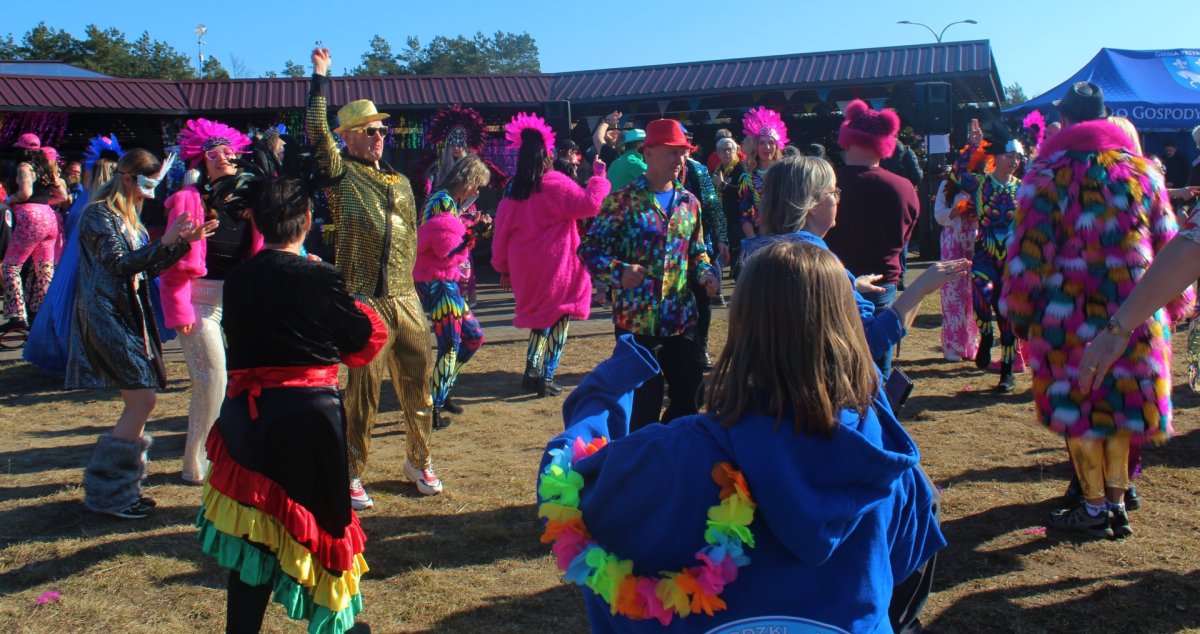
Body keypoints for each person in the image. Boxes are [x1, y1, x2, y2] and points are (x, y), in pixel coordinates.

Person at [536, 240, 945, 633]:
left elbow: (568, 487)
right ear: (849, 328)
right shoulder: (885, 463)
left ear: (742, 329)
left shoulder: (673, 456)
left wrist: (605, 393)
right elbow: (902, 566)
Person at [1001, 81, 1193, 539]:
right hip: (1134, 311)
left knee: (1080, 405)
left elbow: (1028, 253)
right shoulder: (1143, 172)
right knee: (1120, 403)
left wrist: (1020, 311)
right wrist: (1176, 302)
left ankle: (1091, 507)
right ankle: (1117, 502)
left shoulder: (1047, 175)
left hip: (1066, 317)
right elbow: (1170, 241)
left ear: (1064, 120)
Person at [196, 165, 383, 634]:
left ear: (259, 221)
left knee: (254, 529)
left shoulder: (239, 277)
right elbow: (361, 341)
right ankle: (338, 628)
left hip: (249, 416)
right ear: (306, 220)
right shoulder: (319, 276)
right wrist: (334, 286)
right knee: (325, 523)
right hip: (308, 417)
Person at [306, 47, 438, 502]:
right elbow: (316, 131)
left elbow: (411, 236)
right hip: (363, 299)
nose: (379, 136)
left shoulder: (401, 182)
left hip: (405, 296)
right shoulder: (341, 174)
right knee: (362, 394)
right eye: (369, 130)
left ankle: (419, 459)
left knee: (420, 385)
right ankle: (350, 470)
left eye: (382, 129)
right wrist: (320, 78)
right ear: (348, 138)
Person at [69, 149, 216, 519]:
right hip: (107, 316)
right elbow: (119, 265)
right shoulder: (99, 215)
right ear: (127, 178)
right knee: (142, 400)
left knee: (142, 400)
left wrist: (182, 244)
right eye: (148, 182)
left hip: (127, 315)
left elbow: (146, 269)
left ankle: (121, 490)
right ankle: (110, 494)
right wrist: (166, 243)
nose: (152, 191)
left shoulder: (127, 218)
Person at [742, 156, 969, 363]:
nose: (838, 200)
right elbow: (869, 342)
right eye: (833, 192)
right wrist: (920, 288)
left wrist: (848, 286)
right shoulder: (815, 264)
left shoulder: (760, 257)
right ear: (813, 204)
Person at [580, 118, 718, 431]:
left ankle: (670, 449)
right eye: (672, 151)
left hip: (681, 320)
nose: (680, 159)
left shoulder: (689, 203)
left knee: (690, 399)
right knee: (642, 410)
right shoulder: (622, 201)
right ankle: (644, 452)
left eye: (683, 152)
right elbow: (589, 250)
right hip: (637, 324)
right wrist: (619, 272)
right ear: (649, 152)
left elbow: (697, 253)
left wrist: (706, 274)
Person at [160, 118, 262, 485]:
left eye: (228, 152)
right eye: (213, 153)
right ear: (201, 161)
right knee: (211, 380)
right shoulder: (189, 199)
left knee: (239, 381)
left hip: (237, 301)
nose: (223, 158)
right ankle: (196, 463)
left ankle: (227, 454)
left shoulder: (251, 201)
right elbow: (171, 260)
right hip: (199, 301)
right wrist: (179, 309)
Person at [494, 112, 611, 397]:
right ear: (546, 153)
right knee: (560, 318)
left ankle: (531, 371)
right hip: (556, 264)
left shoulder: (513, 189)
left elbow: (501, 231)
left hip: (524, 266)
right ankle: (546, 377)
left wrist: (503, 267)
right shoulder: (555, 183)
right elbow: (591, 205)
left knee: (539, 318)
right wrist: (598, 176)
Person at [823, 100, 920, 381]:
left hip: (832, 284)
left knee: (831, 369)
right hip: (881, 285)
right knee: (878, 373)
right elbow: (907, 237)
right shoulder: (903, 188)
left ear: (847, 138)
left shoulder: (825, 187)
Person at [23, 135, 125, 373]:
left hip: (78, 265)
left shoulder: (86, 202)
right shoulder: (111, 202)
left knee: (70, 307)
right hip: (96, 266)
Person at [415, 155, 490, 428]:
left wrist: (470, 229)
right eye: (477, 185)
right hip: (437, 281)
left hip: (444, 280)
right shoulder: (443, 201)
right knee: (450, 345)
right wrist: (474, 232)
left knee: (473, 336)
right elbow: (446, 249)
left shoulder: (446, 201)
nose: (477, 191)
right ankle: (433, 407)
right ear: (468, 179)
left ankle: (442, 389)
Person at [950, 120, 1024, 391]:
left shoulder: (1023, 187)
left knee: (1007, 314)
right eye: (1009, 156)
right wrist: (973, 146)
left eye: (1017, 157)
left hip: (1012, 261)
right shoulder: (980, 184)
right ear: (997, 157)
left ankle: (1007, 371)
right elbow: (957, 174)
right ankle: (985, 334)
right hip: (984, 254)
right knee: (981, 295)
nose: (1014, 161)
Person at [2, 133, 68, 334]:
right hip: (49, 218)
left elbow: (25, 193)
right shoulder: (46, 167)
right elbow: (62, 195)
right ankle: (47, 312)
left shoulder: (24, 167)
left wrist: (10, 200)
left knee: (10, 267)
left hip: (30, 218)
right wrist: (43, 203)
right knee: (44, 269)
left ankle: (17, 316)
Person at [932, 168, 978, 362]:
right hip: (953, 241)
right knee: (953, 292)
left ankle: (971, 345)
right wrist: (956, 211)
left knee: (973, 293)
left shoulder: (981, 183)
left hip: (974, 242)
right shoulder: (947, 184)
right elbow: (939, 215)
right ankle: (952, 346)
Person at [738, 107, 787, 238]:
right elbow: (745, 214)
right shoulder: (747, 178)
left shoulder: (786, 173)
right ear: (756, 146)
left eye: (771, 142)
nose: (767, 147)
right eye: (762, 143)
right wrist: (753, 241)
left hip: (787, 234)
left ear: (777, 146)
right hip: (762, 237)